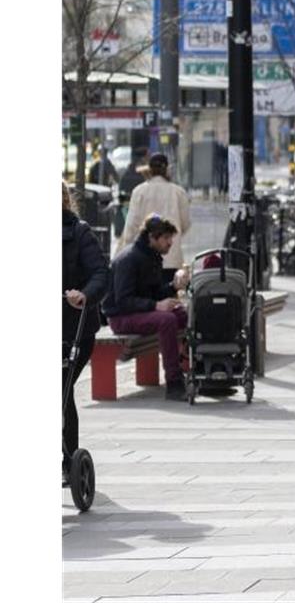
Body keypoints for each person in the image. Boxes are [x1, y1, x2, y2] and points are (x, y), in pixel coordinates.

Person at [102, 215, 191, 400]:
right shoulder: (130, 258)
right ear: (152, 237)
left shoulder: (152, 256)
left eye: (171, 238)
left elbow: (154, 292)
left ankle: (189, 369)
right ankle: (174, 383)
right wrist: (156, 305)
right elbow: (123, 301)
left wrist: (173, 287)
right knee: (167, 320)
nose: (170, 243)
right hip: (120, 318)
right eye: (166, 238)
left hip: (139, 312)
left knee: (183, 314)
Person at [62, 181, 110, 482]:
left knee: (60, 392)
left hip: (73, 328)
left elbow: (100, 273)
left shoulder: (79, 233)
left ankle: (69, 459)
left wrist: (84, 294)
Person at [119, 153, 191, 280]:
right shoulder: (178, 192)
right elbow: (185, 224)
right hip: (171, 260)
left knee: (146, 296)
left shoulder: (139, 191)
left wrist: (127, 250)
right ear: (167, 169)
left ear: (150, 170)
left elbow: (131, 226)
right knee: (168, 295)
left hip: (143, 259)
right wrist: (169, 237)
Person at [115, 147, 148, 238]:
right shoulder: (143, 169)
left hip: (127, 200)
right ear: (144, 156)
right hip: (137, 201)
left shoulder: (129, 169)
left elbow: (121, 187)